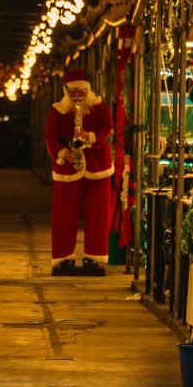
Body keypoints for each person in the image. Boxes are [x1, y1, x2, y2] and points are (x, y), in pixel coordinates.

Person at [44, 69, 114, 275]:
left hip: (97, 166)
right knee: (63, 215)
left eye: (81, 92)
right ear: (66, 91)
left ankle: (95, 257)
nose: (76, 96)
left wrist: (89, 136)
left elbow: (108, 126)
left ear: (88, 90)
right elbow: (50, 136)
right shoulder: (58, 110)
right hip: (67, 166)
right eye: (72, 92)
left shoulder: (100, 108)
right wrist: (62, 153)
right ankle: (63, 258)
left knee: (98, 215)